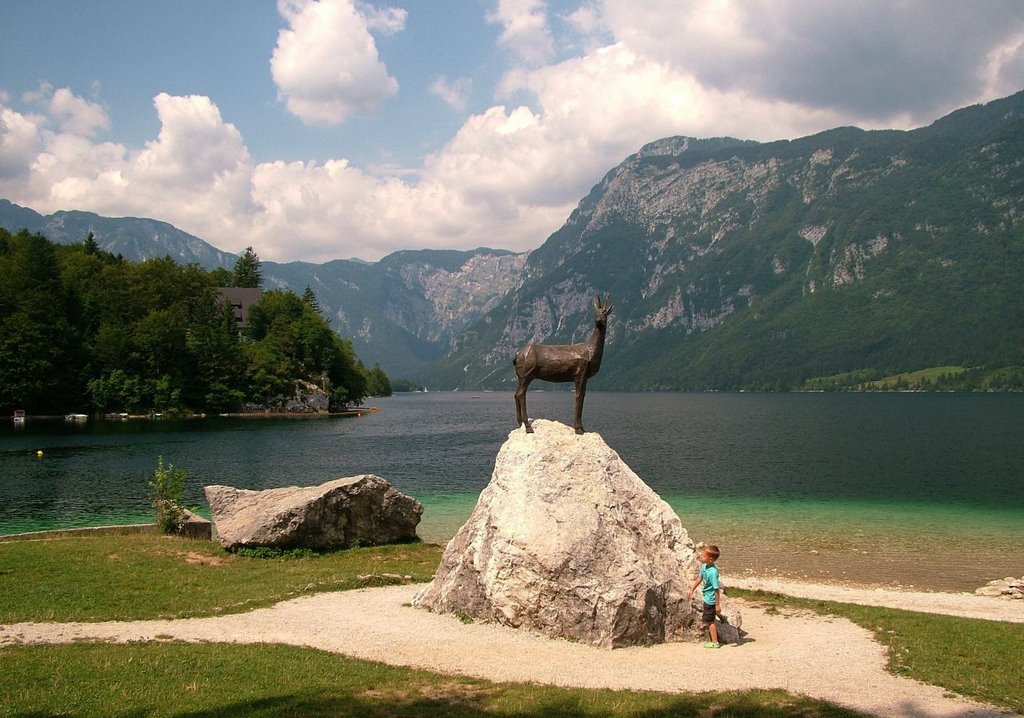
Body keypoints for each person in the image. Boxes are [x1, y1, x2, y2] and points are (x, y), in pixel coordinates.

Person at [689, 543, 723, 648]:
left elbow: (716, 590)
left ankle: (715, 642)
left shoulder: (713, 573)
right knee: (712, 613)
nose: (701, 556)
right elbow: (699, 578)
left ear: (711, 560)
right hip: (706, 596)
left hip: (711, 599)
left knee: (709, 621)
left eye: (704, 556)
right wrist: (692, 589)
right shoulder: (704, 566)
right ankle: (721, 617)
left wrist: (717, 604)